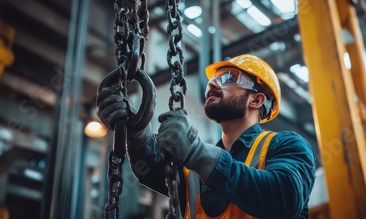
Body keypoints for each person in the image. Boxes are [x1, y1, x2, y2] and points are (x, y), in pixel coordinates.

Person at [96, 54, 316, 219]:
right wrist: (135, 129)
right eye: (213, 80)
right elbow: (151, 168)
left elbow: (284, 198)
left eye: (228, 78)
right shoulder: (193, 170)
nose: (212, 84)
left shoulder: (287, 145)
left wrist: (198, 153)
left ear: (256, 100)